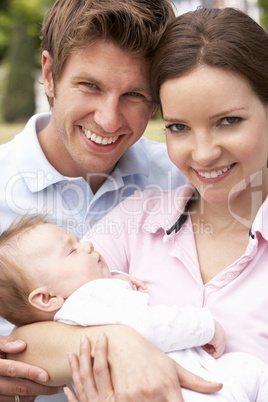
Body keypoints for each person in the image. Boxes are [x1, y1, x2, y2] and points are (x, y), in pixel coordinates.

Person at [43, 5, 268, 400]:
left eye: (228, 121)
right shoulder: (136, 219)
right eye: (179, 127)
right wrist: (122, 344)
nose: (201, 154)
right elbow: (36, 333)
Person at [0, 0, 216, 400]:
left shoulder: (181, 178)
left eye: (134, 94)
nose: (109, 119)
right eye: (90, 86)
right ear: (49, 74)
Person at [2, 216, 268, 401]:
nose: (88, 244)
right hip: (183, 390)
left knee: (252, 369)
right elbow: (148, 325)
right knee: (254, 370)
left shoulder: (77, 308)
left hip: (197, 380)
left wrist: (114, 277)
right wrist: (207, 326)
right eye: (72, 250)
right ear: (46, 299)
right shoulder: (94, 296)